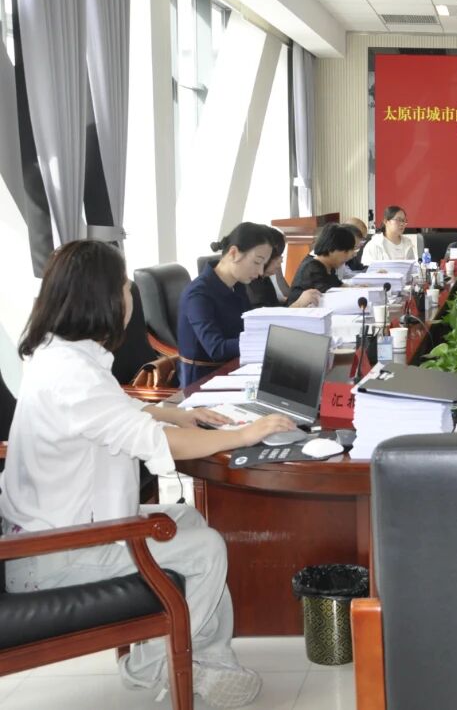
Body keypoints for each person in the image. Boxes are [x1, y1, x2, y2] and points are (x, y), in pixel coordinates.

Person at [0, 240, 296, 707]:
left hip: (57, 531)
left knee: (190, 521)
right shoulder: (72, 374)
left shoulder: (59, 353)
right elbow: (157, 443)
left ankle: (208, 661)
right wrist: (245, 434)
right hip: (57, 554)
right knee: (205, 549)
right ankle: (152, 665)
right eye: (124, 287)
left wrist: (175, 414)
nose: (129, 297)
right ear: (100, 297)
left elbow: (108, 412)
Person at [177, 222, 278, 387]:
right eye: (257, 262)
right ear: (234, 253)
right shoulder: (198, 294)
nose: (260, 272)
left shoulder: (237, 286)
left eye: (263, 264)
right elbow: (216, 348)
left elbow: (246, 328)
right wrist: (263, 339)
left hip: (236, 368)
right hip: (203, 381)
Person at [246, 227, 320, 311]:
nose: (281, 260)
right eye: (278, 256)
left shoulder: (264, 278)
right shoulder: (251, 282)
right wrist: (298, 304)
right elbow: (265, 317)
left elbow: (274, 307)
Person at [287, 222, 357, 306]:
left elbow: (339, 286)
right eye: (346, 251)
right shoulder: (312, 268)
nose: (351, 255)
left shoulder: (328, 266)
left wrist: (358, 288)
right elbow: (327, 295)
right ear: (331, 249)